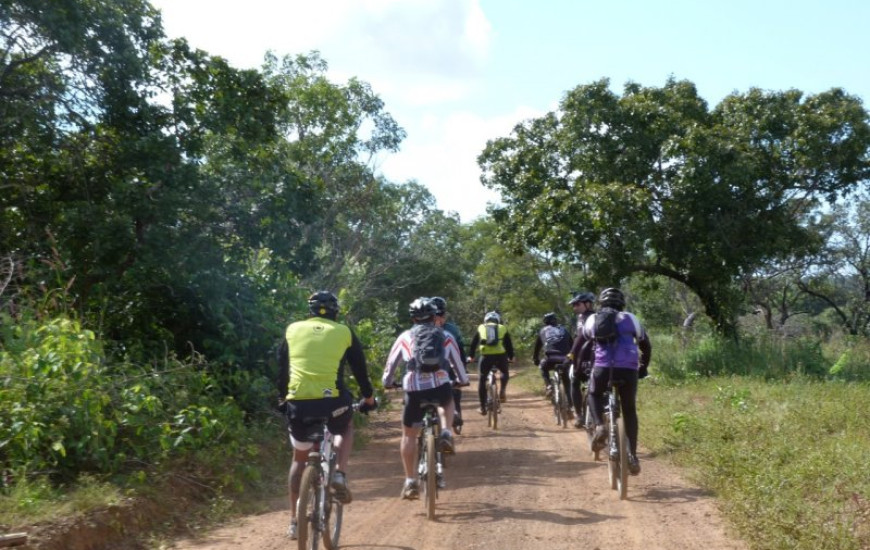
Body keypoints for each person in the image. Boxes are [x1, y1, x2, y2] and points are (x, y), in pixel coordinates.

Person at [277, 291, 377, 540]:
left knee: (299, 458)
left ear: (309, 311)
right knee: (345, 428)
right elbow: (359, 368)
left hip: (298, 404)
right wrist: (368, 397)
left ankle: (293, 520)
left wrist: (282, 397)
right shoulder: (343, 332)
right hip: (333, 403)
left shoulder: (292, 329)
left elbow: (281, 367)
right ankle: (340, 473)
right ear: (336, 311)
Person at [382, 297, 469, 499]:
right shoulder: (446, 335)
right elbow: (458, 365)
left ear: (413, 319)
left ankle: (410, 480)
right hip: (440, 385)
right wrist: (462, 380)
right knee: (448, 401)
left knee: (409, 436)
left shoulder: (404, 337)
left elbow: (390, 367)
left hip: (413, 388)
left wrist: (388, 383)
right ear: (434, 317)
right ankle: (446, 432)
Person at [573, 288, 651, 476]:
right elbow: (646, 345)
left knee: (594, 393)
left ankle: (599, 425)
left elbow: (580, 344)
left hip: (602, 368)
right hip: (628, 369)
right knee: (629, 409)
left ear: (600, 303)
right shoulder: (631, 318)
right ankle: (632, 455)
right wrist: (644, 366)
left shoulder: (593, 319)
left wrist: (576, 365)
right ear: (622, 303)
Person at [467, 311, 515, 412]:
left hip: (485, 356)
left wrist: (471, 356)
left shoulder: (481, 327)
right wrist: (511, 357)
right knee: (504, 372)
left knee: (482, 379)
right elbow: (508, 345)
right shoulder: (502, 328)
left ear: (486, 320)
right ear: (498, 320)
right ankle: (502, 390)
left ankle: (482, 407)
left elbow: (473, 343)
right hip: (500, 356)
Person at [431, 296, 466, 431]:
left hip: (421, 369)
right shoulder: (452, 329)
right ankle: (455, 411)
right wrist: (462, 371)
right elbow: (460, 351)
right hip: (447, 366)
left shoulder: (416, 330)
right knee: (454, 387)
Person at [566, 291, 596, 428]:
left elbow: (579, 339)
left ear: (588, 304)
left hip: (584, 357)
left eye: (577, 304)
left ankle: (579, 415)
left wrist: (571, 355)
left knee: (575, 381)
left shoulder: (586, 318)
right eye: (574, 304)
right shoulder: (584, 317)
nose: (574, 307)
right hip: (597, 357)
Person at [532, 312, 573, 402]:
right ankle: (570, 405)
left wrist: (535, 359)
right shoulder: (564, 329)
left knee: (543, 367)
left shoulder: (543, 331)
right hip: (564, 359)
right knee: (566, 381)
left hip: (550, 359)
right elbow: (572, 345)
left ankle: (549, 385)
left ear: (545, 322)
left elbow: (537, 348)